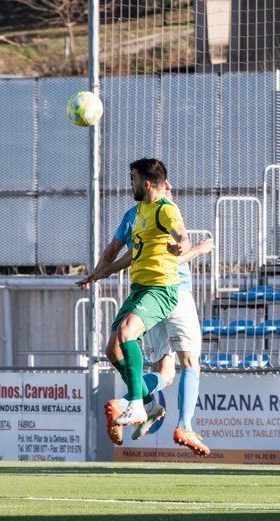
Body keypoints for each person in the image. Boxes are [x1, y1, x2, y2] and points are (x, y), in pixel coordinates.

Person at [81, 184, 213, 456]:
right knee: (190, 363)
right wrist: (198, 249)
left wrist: (100, 271)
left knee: (164, 373)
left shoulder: (133, 216)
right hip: (174, 293)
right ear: (158, 185)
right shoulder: (164, 212)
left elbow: (121, 252)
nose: (171, 190)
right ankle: (181, 424)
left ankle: (146, 403)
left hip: (147, 298)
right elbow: (170, 261)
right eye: (167, 186)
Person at [80, 158, 190, 434]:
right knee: (112, 349)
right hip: (140, 288)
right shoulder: (138, 211)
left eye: (132, 178)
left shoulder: (166, 208)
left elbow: (182, 235)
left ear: (147, 183)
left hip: (161, 289)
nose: (130, 182)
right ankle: (150, 404)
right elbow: (131, 254)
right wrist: (101, 272)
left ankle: (137, 405)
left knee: (128, 333)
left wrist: (180, 246)